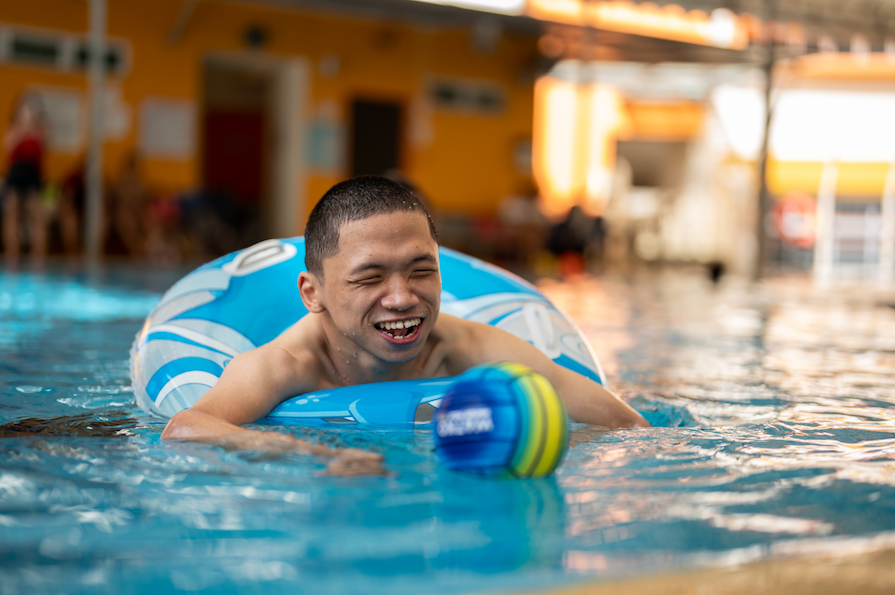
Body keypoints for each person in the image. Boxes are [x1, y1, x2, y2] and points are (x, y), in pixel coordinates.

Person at [161, 176, 649, 474]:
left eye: (421, 271)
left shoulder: (467, 347)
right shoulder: (285, 364)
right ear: (313, 293)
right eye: (370, 278)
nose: (402, 298)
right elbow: (186, 426)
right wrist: (308, 453)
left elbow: (626, 424)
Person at [2, 94, 48, 262]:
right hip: (15, 171)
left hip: (32, 172)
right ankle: (12, 250)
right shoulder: (14, 127)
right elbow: (8, 144)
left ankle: (38, 252)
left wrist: (32, 127)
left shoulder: (39, 129)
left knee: (36, 213)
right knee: (11, 213)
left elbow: (43, 147)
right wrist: (22, 128)